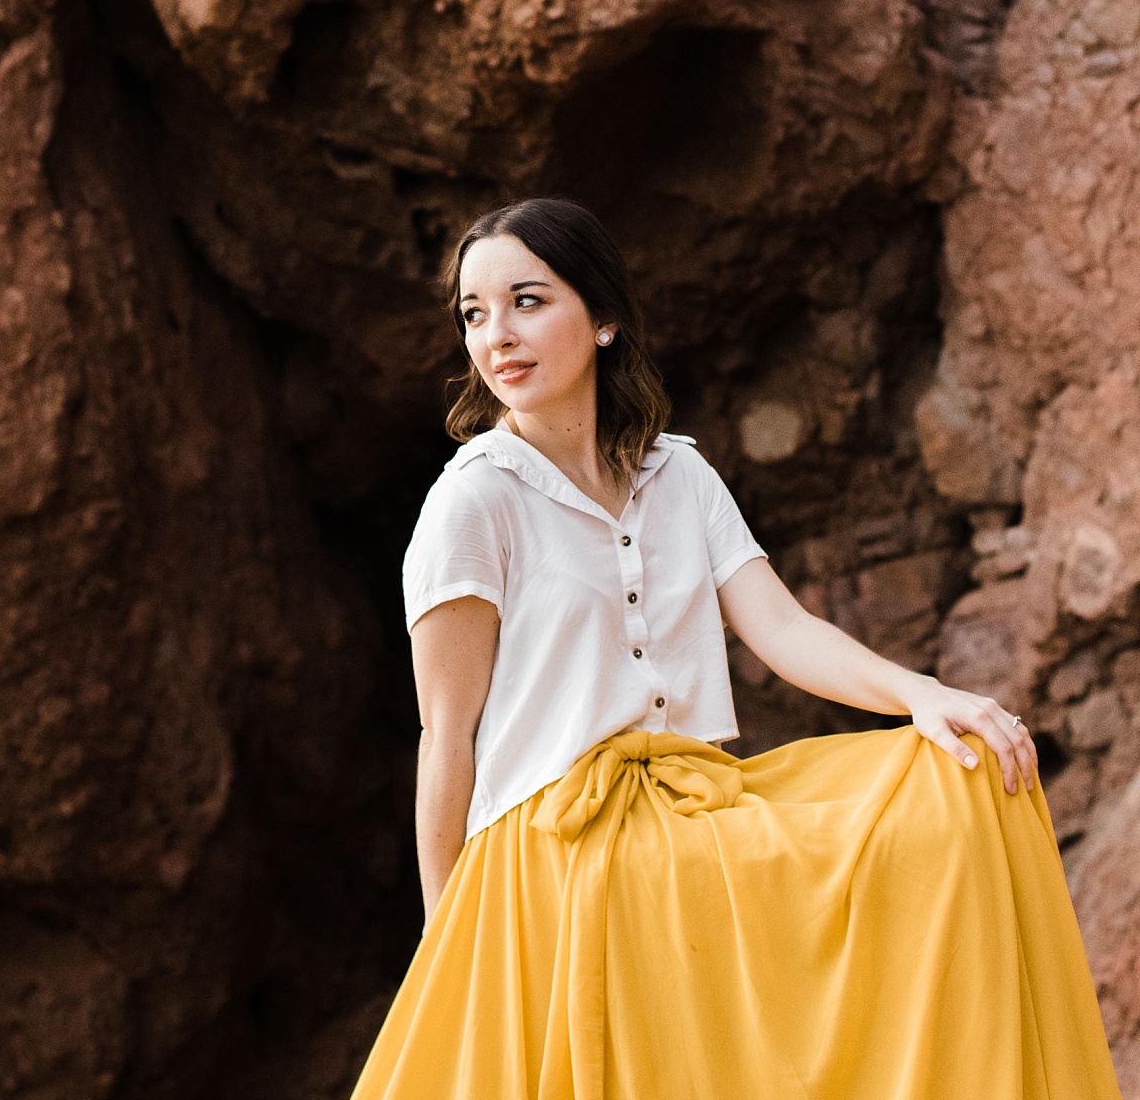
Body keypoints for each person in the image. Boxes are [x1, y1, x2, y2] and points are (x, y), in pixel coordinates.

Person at [351, 197, 1121, 1100]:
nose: (497, 337)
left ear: (602, 319)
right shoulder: (472, 502)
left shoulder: (680, 473)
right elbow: (447, 736)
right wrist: (451, 941)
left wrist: (925, 694)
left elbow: (784, 629)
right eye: (474, 315)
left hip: (695, 815)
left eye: (527, 300)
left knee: (957, 778)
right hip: (556, 853)